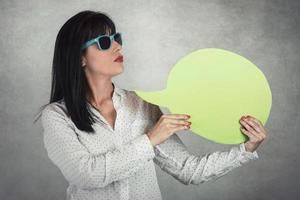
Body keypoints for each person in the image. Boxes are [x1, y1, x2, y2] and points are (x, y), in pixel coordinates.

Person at [37, 10, 267, 200]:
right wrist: (151, 139)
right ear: (80, 58)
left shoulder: (141, 105)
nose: (117, 47)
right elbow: (87, 176)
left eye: (117, 38)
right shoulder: (57, 115)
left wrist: (245, 150)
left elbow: (189, 170)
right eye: (105, 42)